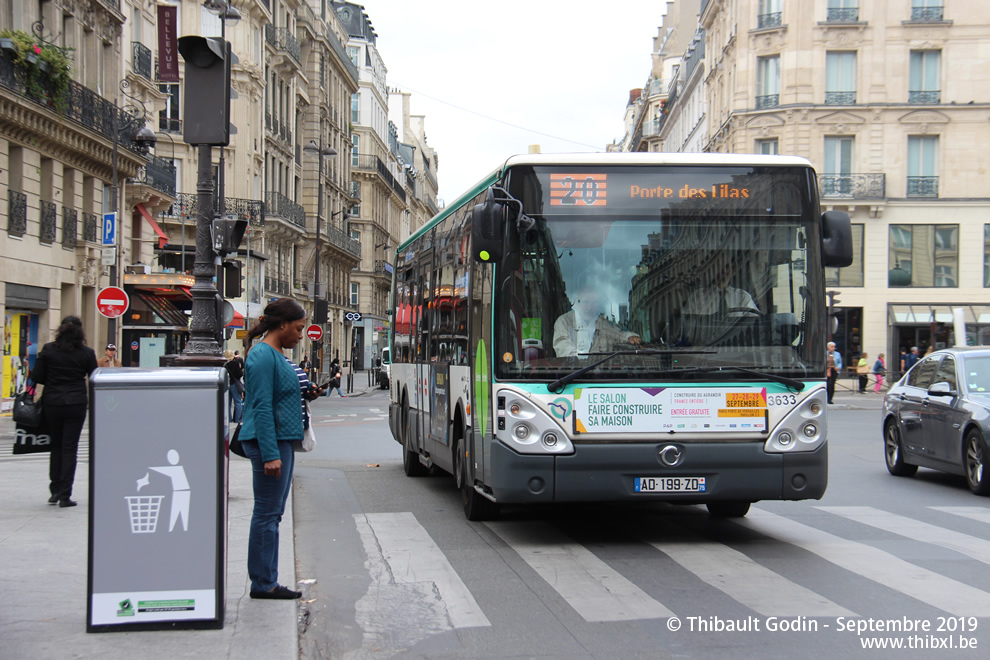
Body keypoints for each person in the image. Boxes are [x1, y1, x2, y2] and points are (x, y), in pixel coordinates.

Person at [237, 298, 310, 599]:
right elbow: (263, 408)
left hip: (282, 440)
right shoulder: (264, 356)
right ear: (282, 325)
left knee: (273, 513)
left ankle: (266, 579)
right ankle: (264, 582)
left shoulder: (274, 353)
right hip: (272, 442)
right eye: (298, 328)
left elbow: (277, 399)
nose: (301, 334)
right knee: (267, 514)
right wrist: (270, 454)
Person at [30, 316, 98, 507]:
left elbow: (38, 377)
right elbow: (94, 377)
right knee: (70, 448)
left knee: (56, 447)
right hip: (75, 403)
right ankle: (65, 495)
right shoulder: (86, 353)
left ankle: (55, 490)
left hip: (52, 402)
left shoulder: (49, 350)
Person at [553, 283, 641, 357]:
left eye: (594, 303)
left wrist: (630, 337)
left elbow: (619, 334)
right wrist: (581, 360)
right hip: (572, 374)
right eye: (586, 302)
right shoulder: (564, 321)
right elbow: (563, 347)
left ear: (599, 305)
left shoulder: (603, 324)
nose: (589, 307)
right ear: (578, 302)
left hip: (602, 375)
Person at [224, 349, 245, 423]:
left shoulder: (224, 364)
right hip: (234, 384)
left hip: (226, 384)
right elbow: (239, 374)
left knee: (228, 403)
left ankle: (228, 419)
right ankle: (237, 419)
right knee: (237, 402)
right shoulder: (235, 363)